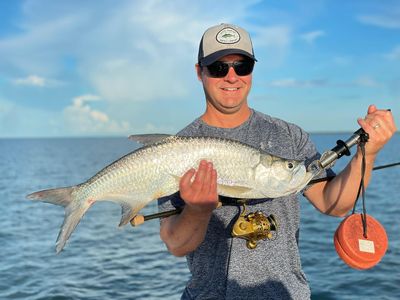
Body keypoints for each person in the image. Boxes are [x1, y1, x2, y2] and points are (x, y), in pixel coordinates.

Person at [158, 23, 397, 299]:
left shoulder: (289, 136)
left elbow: (335, 204)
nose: (232, 77)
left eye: (242, 65)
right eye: (218, 68)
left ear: (252, 70)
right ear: (200, 72)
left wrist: (367, 153)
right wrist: (197, 210)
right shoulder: (176, 149)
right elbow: (176, 244)